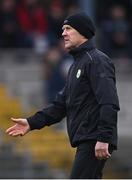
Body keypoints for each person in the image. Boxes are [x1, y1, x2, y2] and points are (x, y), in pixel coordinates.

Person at [6, 12, 120, 179]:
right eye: (63, 29)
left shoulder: (96, 61)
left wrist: (104, 138)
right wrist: (31, 122)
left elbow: (109, 101)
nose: (63, 33)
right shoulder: (77, 65)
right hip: (87, 139)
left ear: (83, 32)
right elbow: (60, 106)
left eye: (68, 28)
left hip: (94, 139)